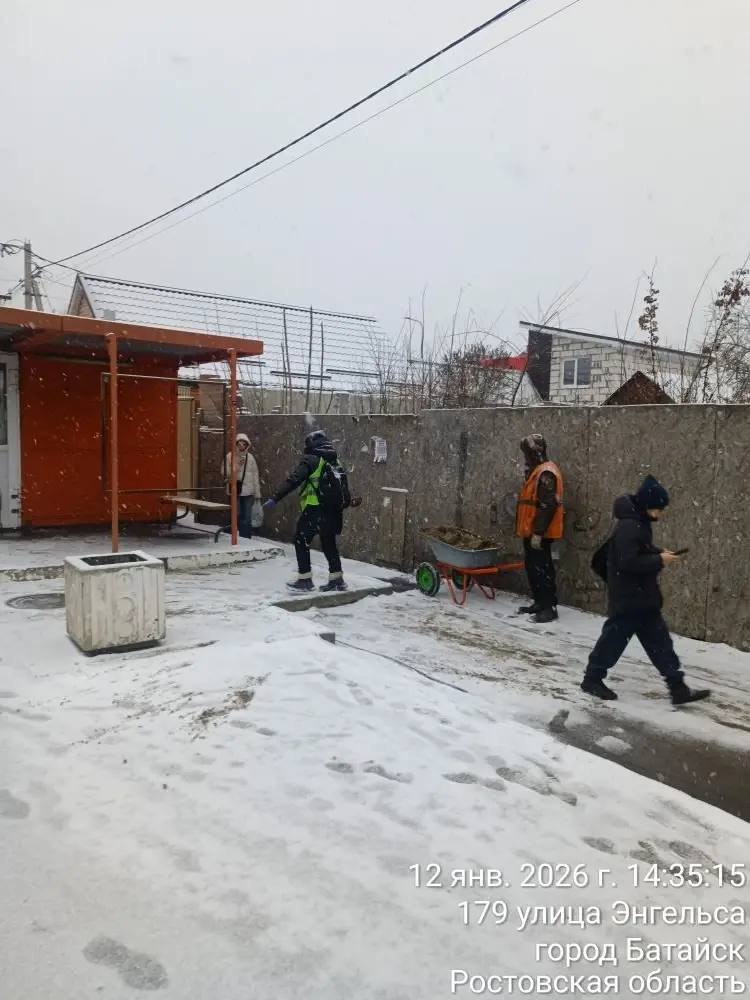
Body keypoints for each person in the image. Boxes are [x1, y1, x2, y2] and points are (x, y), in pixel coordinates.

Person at [581, 475, 710, 706]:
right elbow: (628, 562)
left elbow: (639, 550)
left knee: (661, 644)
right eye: (659, 509)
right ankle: (592, 679)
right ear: (649, 505)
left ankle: (678, 688)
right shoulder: (630, 526)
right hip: (629, 599)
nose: (661, 514)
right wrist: (659, 560)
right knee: (613, 642)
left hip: (642, 598)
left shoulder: (638, 522)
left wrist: (658, 552)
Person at [264, 430, 351, 593]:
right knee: (329, 542)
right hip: (333, 510)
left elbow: (294, 479)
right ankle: (337, 579)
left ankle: (305, 580)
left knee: (301, 540)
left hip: (315, 507)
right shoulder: (335, 461)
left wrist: (276, 497)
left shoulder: (312, 459)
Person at [515, 433, 563, 624]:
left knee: (542, 569)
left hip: (540, 532)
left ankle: (549, 607)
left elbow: (547, 505)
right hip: (532, 530)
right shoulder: (537, 470)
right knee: (533, 567)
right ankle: (540, 602)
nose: (525, 457)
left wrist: (538, 533)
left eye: (527, 453)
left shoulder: (546, 472)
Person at [222, 433, 260, 540]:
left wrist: (257, 493)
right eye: (239, 444)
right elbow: (225, 472)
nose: (242, 446)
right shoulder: (229, 456)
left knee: (246, 516)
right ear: (236, 444)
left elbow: (255, 475)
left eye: (244, 444)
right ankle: (230, 535)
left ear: (247, 445)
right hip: (235, 489)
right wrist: (237, 465)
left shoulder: (250, 458)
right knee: (234, 514)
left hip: (248, 491)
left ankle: (246, 537)